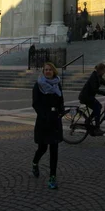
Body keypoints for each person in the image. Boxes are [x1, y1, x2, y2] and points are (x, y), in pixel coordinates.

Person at [32, 62, 64, 190]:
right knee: (43, 148)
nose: (48, 71)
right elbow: (36, 103)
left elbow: (61, 100)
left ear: (54, 71)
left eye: (50, 69)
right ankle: (35, 162)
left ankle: (52, 177)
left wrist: (61, 111)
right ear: (43, 71)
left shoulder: (57, 84)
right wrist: (45, 115)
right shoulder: (38, 85)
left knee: (54, 150)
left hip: (55, 120)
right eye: (46, 70)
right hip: (44, 121)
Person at [78, 63, 105, 135]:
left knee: (99, 106)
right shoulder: (94, 77)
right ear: (100, 70)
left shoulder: (98, 76)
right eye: (104, 70)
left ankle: (88, 120)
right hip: (86, 97)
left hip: (89, 97)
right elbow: (95, 90)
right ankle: (97, 128)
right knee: (97, 108)